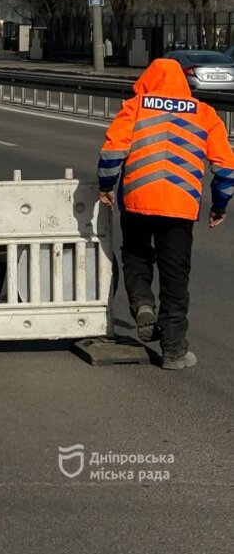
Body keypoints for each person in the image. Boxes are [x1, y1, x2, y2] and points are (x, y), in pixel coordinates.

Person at [97, 58, 234, 369]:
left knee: (136, 255)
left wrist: (106, 185)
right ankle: (173, 350)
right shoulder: (204, 113)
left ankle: (143, 303)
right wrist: (219, 205)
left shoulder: (136, 107)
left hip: (137, 200)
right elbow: (226, 167)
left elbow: (111, 151)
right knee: (175, 276)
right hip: (180, 206)